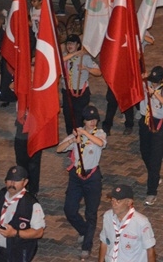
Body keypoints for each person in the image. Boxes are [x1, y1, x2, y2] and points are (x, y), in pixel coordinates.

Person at [57, 105, 107, 259]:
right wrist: (73, 140)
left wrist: (85, 133)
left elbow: (100, 143)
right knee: (69, 209)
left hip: (92, 177)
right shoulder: (76, 133)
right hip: (76, 176)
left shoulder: (99, 133)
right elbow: (59, 149)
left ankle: (87, 245)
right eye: (89, 119)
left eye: (94, 119)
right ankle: (85, 231)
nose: (92, 122)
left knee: (91, 213)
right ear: (83, 120)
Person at [0, 165, 45, 262]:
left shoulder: (31, 204)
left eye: (16, 180)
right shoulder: (1, 195)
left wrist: (15, 233)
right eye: (10, 180)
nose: (12, 183)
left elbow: (39, 232)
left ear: (25, 182)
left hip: (18, 253)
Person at [137, 66, 163, 207]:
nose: (154, 83)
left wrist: (155, 94)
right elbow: (133, 86)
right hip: (145, 121)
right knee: (144, 152)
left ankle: (152, 192)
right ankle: (154, 175)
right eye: (152, 80)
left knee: (156, 158)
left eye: (156, 81)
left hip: (158, 124)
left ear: (162, 80)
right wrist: (141, 78)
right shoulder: (145, 85)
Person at [98, 184, 157, 262]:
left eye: (118, 201)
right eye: (112, 200)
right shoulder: (108, 216)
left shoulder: (141, 223)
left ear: (129, 202)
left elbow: (150, 250)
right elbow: (104, 242)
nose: (114, 205)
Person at [60, 34, 101, 135]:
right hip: (67, 92)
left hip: (81, 93)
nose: (69, 45)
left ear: (78, 45)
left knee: (79, 118)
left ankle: (80, 138)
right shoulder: (64, 56)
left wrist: (86, 68)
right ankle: (70, 137)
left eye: (72, 43)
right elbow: (58, 61)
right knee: (68, 116)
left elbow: (98, 72)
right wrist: (75, 53)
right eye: (68, 43)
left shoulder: (84, 58)